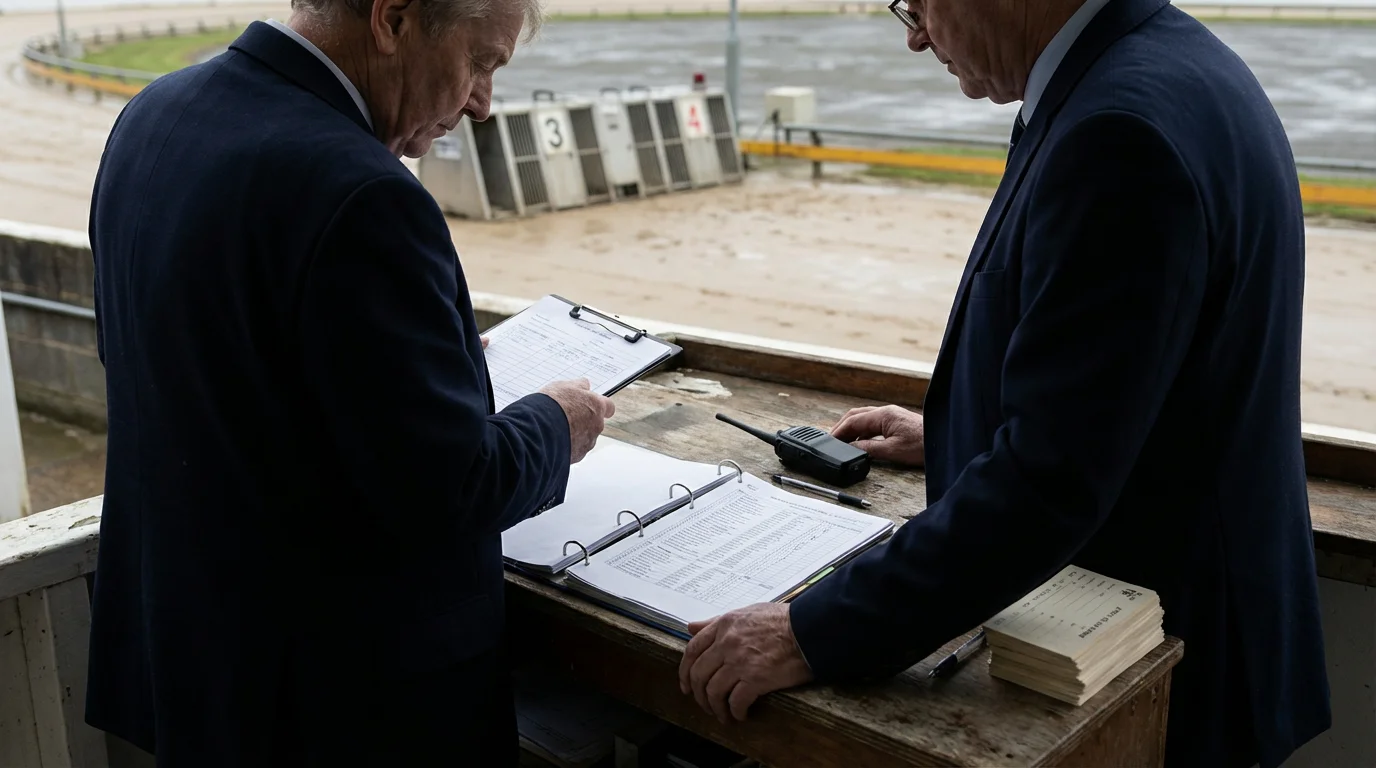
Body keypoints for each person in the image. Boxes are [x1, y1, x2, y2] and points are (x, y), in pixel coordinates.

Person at [677, 0, 1332, 764]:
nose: (917, 36)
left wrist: (809, 631)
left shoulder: (1116, 132)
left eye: (918, 6)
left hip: (1168, 666)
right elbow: (1135, 381)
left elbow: (1051, 482)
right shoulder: (1163, 62)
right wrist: (962, 429)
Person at [83, 0, 614, 764]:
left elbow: (170, 361)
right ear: (392, 19)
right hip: (338, 709)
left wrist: (416, 357)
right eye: (480, 63)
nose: (482, 104)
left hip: (195, 667)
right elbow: (451, 490)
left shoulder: (153, 114)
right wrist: (556, 423)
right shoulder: (363, 193)